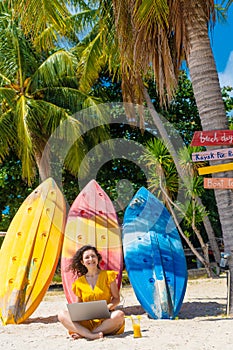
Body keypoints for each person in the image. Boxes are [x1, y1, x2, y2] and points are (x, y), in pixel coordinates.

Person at [58, 245, 125, 340]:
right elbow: (78, 304)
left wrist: (108, 307)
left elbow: (116, 298)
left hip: (105, 319)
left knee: (119, 315)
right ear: (82, 262)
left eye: (93, 256)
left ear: (97, 259)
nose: (91, 259)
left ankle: (86, 334)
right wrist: (76, 311)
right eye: (87, 257)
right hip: (87, 320)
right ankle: (90, 334)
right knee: (61, 314)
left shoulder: (108, 275)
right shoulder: (79, 283)